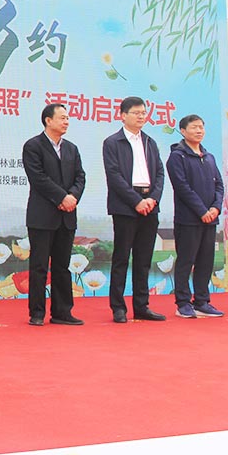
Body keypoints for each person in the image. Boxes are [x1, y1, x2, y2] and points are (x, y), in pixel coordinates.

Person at [102, 96, 166, 323]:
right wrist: (136, 201)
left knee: (143, 259)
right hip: (125, 206)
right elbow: (114, 176)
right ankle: (118, 308)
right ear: (123, 115)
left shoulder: (150, 142)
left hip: (150, 205)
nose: (141, 116)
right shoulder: (112, 142)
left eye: (143, 113)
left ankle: (141, 306)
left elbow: (160, 173)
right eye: (136, 113)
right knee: (121, 258)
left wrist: (153, 199)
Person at [22, 102, 85, 326]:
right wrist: (61, 198)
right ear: (48, 121)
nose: (66, 121)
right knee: (39, 266)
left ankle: (62, 312)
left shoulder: (72, 149)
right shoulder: (33, 146)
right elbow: (38, 178)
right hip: (42, 216)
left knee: (62, 266)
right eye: (62, 118)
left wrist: (73, 197)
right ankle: (37, 313)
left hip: (67, 217)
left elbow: (80, 177)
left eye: (67, 118)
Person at [165, 114, 224, 318]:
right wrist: (202, 211)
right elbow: (182, 187)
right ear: (183, 131)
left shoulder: (209, 157)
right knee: (186, 261)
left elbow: (219, 185)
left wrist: (215, 208)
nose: (199, 131)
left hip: (210, 219)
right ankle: (183, 303)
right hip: (188, 219)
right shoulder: (177, 157)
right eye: (194, 127)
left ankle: (202, 301)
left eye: (201, 127)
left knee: (206, 261)